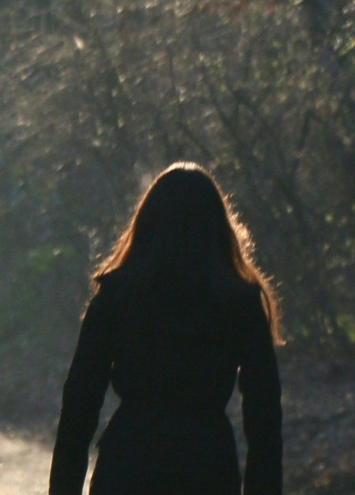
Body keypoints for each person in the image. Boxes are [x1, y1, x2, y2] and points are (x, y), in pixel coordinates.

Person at [50, 163, 284, 494]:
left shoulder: (118, 295)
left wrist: (63, 488)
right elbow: (264, 414)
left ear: (147, 222)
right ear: (217, 227)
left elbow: (80, 402)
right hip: (206, 467)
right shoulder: (238, 302)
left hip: (128, 465)